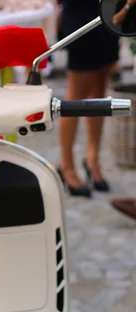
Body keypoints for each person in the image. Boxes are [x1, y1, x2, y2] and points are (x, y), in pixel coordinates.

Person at [57, 0, 120, 197]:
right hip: (81, 16)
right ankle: (66, 165)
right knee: (76, 94)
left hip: (108, 13)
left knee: (99, 90)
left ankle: (93, 160)